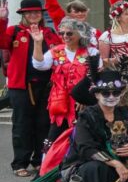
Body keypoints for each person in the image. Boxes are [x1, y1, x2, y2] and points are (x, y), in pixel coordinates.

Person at [1, 0, 62, 176]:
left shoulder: (49, 32)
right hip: (21, 86)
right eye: (29, 13)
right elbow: (2, 43)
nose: (33, 15)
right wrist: (2, 20)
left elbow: (60, 49)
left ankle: (38, 161)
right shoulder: (15, 31)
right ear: (23, 15)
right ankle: (20, 163)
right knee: (22, 124)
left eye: (36, 12)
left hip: (47, 85)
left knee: (43, 124)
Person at [31, 18, 95, 146]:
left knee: (84, 136)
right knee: (53, 138)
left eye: (69, 33)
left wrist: (86, 98)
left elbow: (96, 78)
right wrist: (37, 43)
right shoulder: (55, 51)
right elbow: (39, 64)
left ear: (80, 33)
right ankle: (49, 164)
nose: (65, 36)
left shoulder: (91, 52)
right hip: (60, 102)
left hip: (83, 103)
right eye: (62, 33)